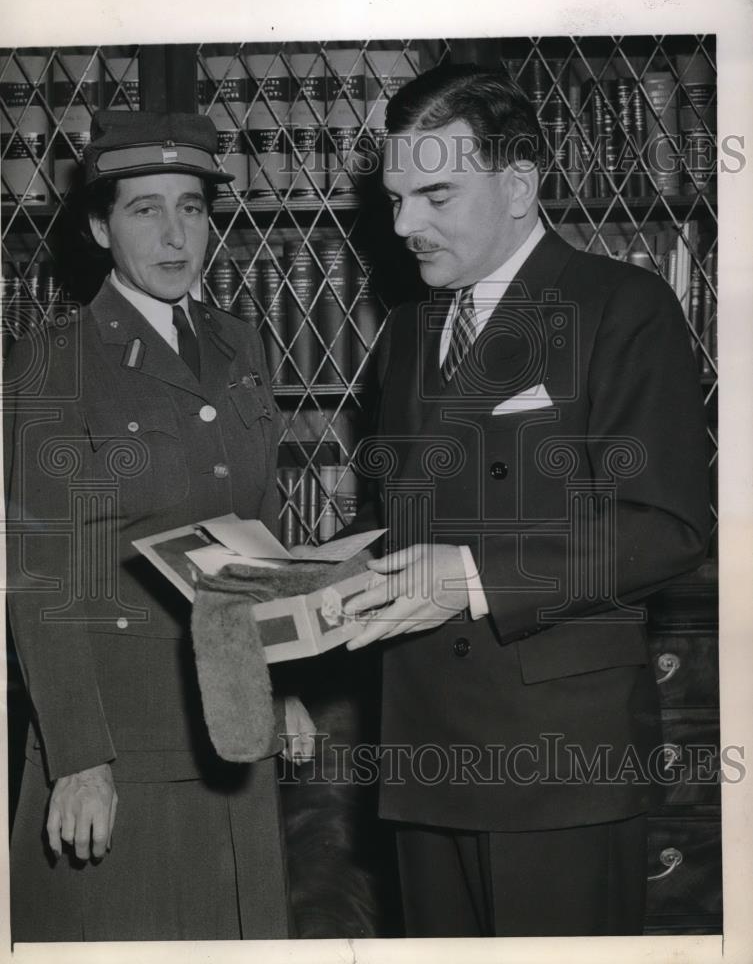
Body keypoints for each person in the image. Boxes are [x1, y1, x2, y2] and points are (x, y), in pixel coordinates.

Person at [341, 64, 710, 937]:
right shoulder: (408, 332)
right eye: (395, 198)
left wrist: (468, 578)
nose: (403, 226)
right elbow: (406, 517)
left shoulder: (623, 306)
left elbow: (666, 529)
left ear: (517, 185)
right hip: (422, 748)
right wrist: (297, 573)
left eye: (434, 193)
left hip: (557, 762)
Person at [4, 109, 314, 942]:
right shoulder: (54, 363)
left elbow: (257, 529)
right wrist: (78, 758)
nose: (176, 234)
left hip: (232, 725)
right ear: (102, 226)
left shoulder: (239, 343)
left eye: (192, 207)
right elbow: (42, 576)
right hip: (125, 739)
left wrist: (280, 681)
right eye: (146, 210)